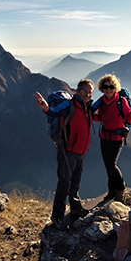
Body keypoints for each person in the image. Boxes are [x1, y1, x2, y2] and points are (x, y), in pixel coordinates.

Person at [33, 79, 95, 231]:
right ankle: (57, 216)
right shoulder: (69, 105)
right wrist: (46, 108)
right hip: (67, 150)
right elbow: (55, 111)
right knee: (64, 183)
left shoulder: (87, 107)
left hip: (81, 151)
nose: (87, 94)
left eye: (90, 92)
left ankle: (75, 207)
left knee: (75, 181)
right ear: (77, 91)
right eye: (84, 91)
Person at [92, 74, 131, 202]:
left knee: (111, 164)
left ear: (115, 88)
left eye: (111, 86)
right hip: (104, 137)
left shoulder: (121, 101)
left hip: (117, 138)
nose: (108, 89)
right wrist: (90, 116)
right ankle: (112, 190)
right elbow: (101, 118)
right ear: (102, 88)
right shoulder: (101, 102)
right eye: (105, 87)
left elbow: (129, 119)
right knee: (107, 165)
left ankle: (121, 188)